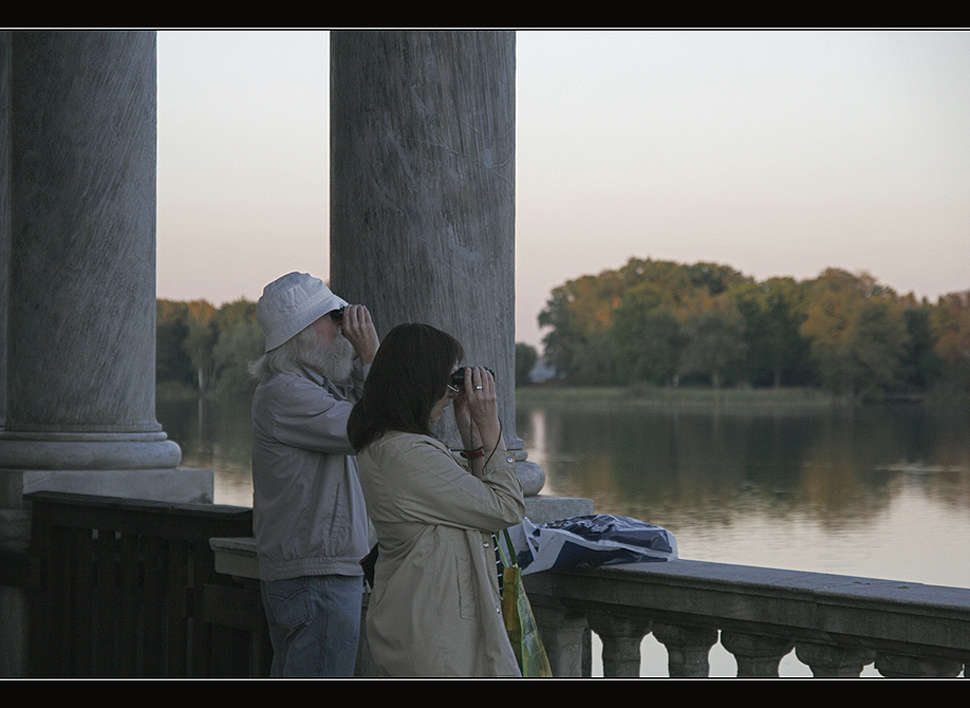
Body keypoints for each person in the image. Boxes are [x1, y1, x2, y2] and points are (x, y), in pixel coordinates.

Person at [347, 323, 526, 677]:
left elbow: (473, 505)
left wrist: (472, 438)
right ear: (419, 383)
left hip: (430, 626)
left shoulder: (394, 446)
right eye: (446, 383)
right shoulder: (405, 453)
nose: (450, 394)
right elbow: (506, 507)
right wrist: (491, 427)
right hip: (438, 642)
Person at [250, 271, 379, 677]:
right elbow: (373, 426)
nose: (345, 328)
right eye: (335, 318)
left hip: (313, 575)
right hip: (317, 578)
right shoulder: (287, 393)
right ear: (303, 332)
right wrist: (373, 354)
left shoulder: (310, 389)